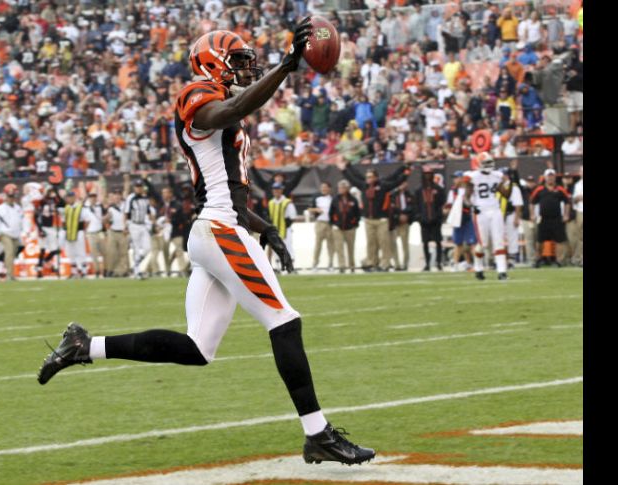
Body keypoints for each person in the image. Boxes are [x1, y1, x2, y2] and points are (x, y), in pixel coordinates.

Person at [38, 20, 375, 466]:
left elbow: (225, 188)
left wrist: (266, 228)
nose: (244, 70)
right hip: (217, 230)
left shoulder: (221, 104)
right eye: (236, 62)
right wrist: (286, 67)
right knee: (284, 322)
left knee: (198, 349)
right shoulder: (196, 96)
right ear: (211, 64)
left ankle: (85, 345)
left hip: (217, 225)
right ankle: (318, 434)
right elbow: (229, 112)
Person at [340, 162, 410, 271]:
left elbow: (396, 181)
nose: (368, 179)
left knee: (384, 242)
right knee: (371, 242)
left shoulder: (383, 186)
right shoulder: (364, 186)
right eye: (367, 177)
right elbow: (353, 178)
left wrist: (406, 172)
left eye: (371, 177)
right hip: (368, 219)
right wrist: (345, 169)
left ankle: (385, 263)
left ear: (376, 177)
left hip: (382, 219)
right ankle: (372, 262)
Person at [462, 152, 511, 280]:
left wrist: (509, 183)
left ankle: (502, 271)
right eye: (486, 163)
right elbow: (466, 197)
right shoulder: (472, 177)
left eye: (490, 162)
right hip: (481, 212)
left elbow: (505, 194)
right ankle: (478, 267)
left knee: (499, 241)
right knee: (483, 244)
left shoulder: (497, 175)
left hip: (495, 210)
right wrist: (472, 206)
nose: (489, 165)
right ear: (479, 164)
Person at [530, 168, 571, 267]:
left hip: (556, 218)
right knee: (540, 241)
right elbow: (532, 202)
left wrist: (566, 214)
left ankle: (559, 260)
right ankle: (538, 259)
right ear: (545, 177)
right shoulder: (539, 189)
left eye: (552, 176)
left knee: (560, 240)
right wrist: (532, 214)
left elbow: (567, 202)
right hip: (543, 218)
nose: (550, 178)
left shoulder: (560, 189)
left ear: (555, 177)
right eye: (549, 176)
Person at [414, 167, 447, 272]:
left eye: (429, 174)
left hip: (435, 220)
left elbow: (442, 204)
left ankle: (438, 263)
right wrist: (419, 217)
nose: (427, 176)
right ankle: (427, 263)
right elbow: (417, 205)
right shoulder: (419, 190)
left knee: (438, 241)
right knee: (425, 242)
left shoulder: (438, 189)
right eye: (425, 174)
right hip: (424, 220)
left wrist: (438, 216)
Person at [444, 171, 476, 272]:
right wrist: (447, 211)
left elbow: (471, 202)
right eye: (455, 178)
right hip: (458, 218)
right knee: (458, 243)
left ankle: (475, 264)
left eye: (457, 178)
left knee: (471, 243)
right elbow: (449, 204)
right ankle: (455, 264)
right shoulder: (452, 191)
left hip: (467, 217)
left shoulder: (468, 189)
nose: (455, 180)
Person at [124, 179, 156, 279]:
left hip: (142, 224)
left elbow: (148, 212)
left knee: (147, 248)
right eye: (137, 187)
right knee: (136, 248)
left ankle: (136, 264)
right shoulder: (130, 198)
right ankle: (137, 272)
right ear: (134, 188)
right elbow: (126, 213)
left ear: (142, 188)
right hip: (134, 225)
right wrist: (126, 226)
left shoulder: (145, 198)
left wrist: (154, 222)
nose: (139, 188)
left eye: (140, 186)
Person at [0, 184, 24, 281]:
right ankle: (10, 275)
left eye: (13, 196)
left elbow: (20, 221)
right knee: (9, 252)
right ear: (6, 196)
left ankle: (2, 267)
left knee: (14, 252)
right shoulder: (1, 208)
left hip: (15, 234)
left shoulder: (18, 208)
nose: (11, 198)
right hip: (5, 233)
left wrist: (22, 232)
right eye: (10, 196)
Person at [329, 179, 361, 274]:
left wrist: (354, 223)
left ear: (347, 188)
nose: (341, 189)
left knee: (351, 247)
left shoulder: (353, 199)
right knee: (339, 247)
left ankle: (352, 265)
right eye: (339, 187)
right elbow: (331, 213)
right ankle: (341, 266)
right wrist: (334, 223)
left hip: (350, 228)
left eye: (343, 187)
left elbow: (357, 214)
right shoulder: (335, 199)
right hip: (338, 228)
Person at [267, 182, 298, 270]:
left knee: (288, 247)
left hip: (286, 229)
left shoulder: (287, 202)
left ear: (281, 190)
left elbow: (292, 216)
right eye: (274, 189)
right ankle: (279, 267)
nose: (276, 191)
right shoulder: (271, 202)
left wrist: (287, 224)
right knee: (276, 248)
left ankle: (290, 266)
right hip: (275, 230)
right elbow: (269, 216)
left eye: (278, 189)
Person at [34, 188, 64, 278]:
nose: (51, 194)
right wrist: (40, 229)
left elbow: (62, 203)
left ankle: (40, 264)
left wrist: (57, 191)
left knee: (56, 250)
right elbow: (35, 216)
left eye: (52, 192)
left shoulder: (53, 201)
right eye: (50, 192)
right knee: (42, 249)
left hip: (51, 227)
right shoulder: (40, 202)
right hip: (42, 227)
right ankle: (39, 270)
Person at [60, 190, 89, 279]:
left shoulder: (80, 207)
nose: (68, 199)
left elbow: (87, 220)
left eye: (70, 197)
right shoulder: (66, 208)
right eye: (67, 197)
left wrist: (84, 230)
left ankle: (83, 271)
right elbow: (63, 222)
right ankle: (74, 272)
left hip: (78, 231)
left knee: (81, 252)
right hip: (69, 232)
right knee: (71, 252)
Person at [103, 189, 130, 277]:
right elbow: (108, 218)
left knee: (123, 252)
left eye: (119, 195)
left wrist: (127, 227)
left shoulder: (126, 206)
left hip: (123, 232)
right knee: (112, 252)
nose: (117, 197)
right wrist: (105, 218)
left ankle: (123, 271)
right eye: (116, 195)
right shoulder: (111, 207)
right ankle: (111, 270)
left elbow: (128, 217)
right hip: (113, 231)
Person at [307, 182, 334, 271]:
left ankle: (330, 264)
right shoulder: (317, 198)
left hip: (330, 224)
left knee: (330, 245)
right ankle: (315, 264)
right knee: (318, 244)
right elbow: (309, 209)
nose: (324, 189)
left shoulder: (333, 199)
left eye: (326, 187)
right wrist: (316, 209)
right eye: (322, 187)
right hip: (320, 223)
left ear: (329, 188)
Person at [388, 182, 413, 272]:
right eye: (401, 183)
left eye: (404, 183)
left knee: (405, 244)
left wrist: (406, 216)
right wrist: (398, 216)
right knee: (393, 244)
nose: (403, 185)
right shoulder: (393, 195)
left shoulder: (409, 195)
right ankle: (396, 263)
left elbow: (412, 207)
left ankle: (405, 264)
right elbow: (391, 208)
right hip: (395, 223)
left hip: (405, 223)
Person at [84, 192, 106, 278]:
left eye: (94, 197)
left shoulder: (99, 206)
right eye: (91, 197)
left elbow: (104, 215)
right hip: (91, 233)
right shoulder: (85, 208)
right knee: (94, 253)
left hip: (100, 232)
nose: (93, 199)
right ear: (89, 198)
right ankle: (97, 271)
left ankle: (105, 270)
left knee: (105, 252)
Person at [572, 166, 583, 266]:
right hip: (580, 211)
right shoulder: (577, 185)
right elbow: (574, 200)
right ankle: (580, 258)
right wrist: (578, 198)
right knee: (580, 237)